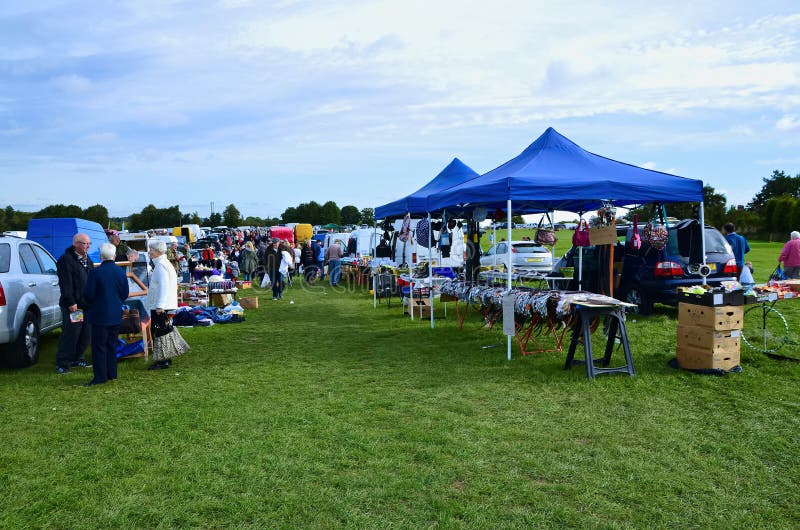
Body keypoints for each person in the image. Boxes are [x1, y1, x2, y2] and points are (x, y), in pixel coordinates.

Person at [82, 242, 129, 386]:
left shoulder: (95, 272)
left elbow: (88, 294)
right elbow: (125, 293)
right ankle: (112, 373)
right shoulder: (120, 272)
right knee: (111, 344)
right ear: (114, 256)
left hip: (99, 314)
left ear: (101, 256)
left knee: (99, 346)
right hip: (115, 314)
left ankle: (100, 376)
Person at [55, 233, 94, 374]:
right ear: (76, 244)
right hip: (74, 305)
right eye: (85, 243)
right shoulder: (66, 260)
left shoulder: (86, 259)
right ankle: (63, 363)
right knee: (72, 333)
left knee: (85, 333)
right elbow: (66, 283)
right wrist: (71, 301)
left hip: (86, 304)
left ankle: (78, 358)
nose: (88, 246)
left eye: (89, 243)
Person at [145, 239, 182, 369]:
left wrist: (160, 305)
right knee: (163, 332)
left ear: (158, 251)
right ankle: (165, 358)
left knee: (160, 333)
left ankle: (162, 360)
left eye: (152, 250)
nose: (149, 252)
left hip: (160, 306)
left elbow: (163, 286)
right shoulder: (163, 263)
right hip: (163, 305)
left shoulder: (161, 265)